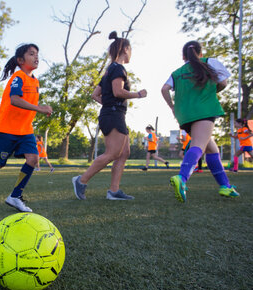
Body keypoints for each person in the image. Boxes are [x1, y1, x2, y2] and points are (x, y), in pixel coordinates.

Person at [0, 43, 52, 212]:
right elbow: (15, 99)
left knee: (33, 159)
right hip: (7, 130)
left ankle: (15, 196)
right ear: (21, 60)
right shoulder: (18, 77)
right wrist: (39, 108)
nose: (36, 57)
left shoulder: (35, 81)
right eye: (31, 54)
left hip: (26, 130)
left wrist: (39, 109)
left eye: (37, 54)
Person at [72, 31, 147, 201]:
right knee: (113, 153)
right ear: (126, 49)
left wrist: (108, 105)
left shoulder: (108, 71)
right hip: (113, 115)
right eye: (131, 49)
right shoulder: (118, 68)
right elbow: (118, 91)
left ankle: (114, 191)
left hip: (112, 113)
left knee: (124, 153)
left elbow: (95, 95)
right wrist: (138, 94)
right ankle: (81, 180)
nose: (131, 53)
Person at [161, 40, 239, 202]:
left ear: (183, 56)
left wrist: (172, 107)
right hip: (204, 110)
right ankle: (182, 178)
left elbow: (164, 89)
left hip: (184, 114)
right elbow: (223, 83)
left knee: (212, 149)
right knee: (198, 145)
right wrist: (211, 90)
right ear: (200, 53)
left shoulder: (177, 72)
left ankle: (225, 186)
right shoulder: (209, 62)